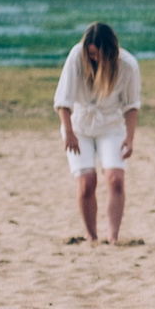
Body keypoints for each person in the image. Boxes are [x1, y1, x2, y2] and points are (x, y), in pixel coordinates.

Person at [55, 22, 141, 243]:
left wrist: (129, 139)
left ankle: (113, 238)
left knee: (115, 179)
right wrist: (69, 132)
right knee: (87, 182)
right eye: (92, 54)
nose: (96, 59)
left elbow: (131, 106)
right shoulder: (76, 56)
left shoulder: (128, 65)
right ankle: (91, 237)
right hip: (79, 126)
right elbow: (62, 101)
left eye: (100, 55)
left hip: (111, 125)